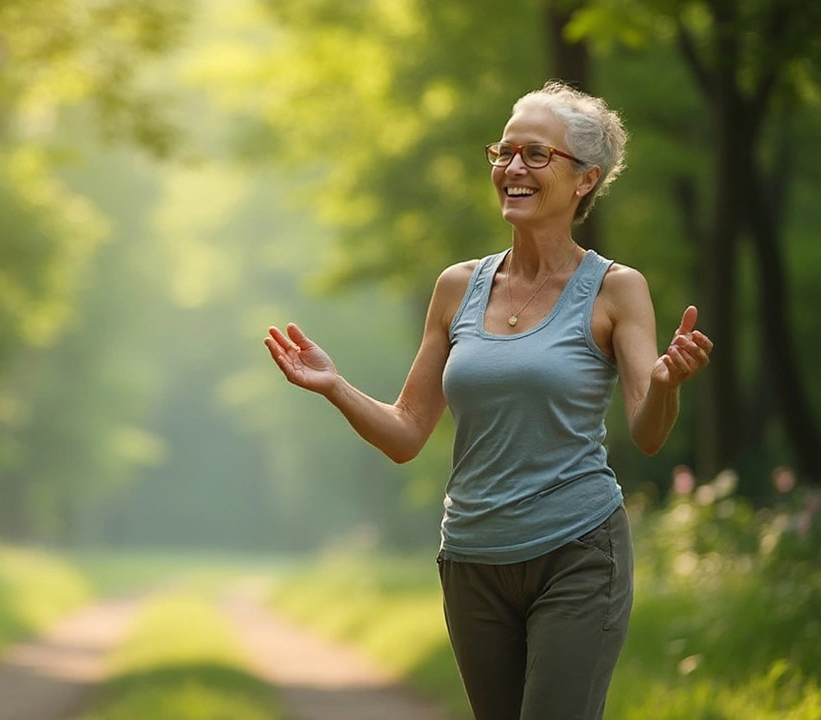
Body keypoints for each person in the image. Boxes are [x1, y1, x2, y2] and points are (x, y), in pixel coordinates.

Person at [263, 80, 713, 720]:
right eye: (504, 152)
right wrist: (335, 386)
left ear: (585, 180)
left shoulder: (616, 290)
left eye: (536, 155)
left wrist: (666, 384)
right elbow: (406, 433)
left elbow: (647, 432)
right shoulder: (457, 288)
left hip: (577, 551)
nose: (512, 169)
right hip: (473, 556)